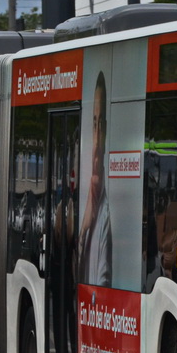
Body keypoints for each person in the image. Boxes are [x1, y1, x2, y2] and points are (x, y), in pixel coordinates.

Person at [79, 71, 113, 286]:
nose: (97, 138)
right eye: (94, 123)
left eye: (101, 124)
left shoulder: (105, 220)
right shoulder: (86, 210)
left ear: (106, 130)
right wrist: (83, 229)